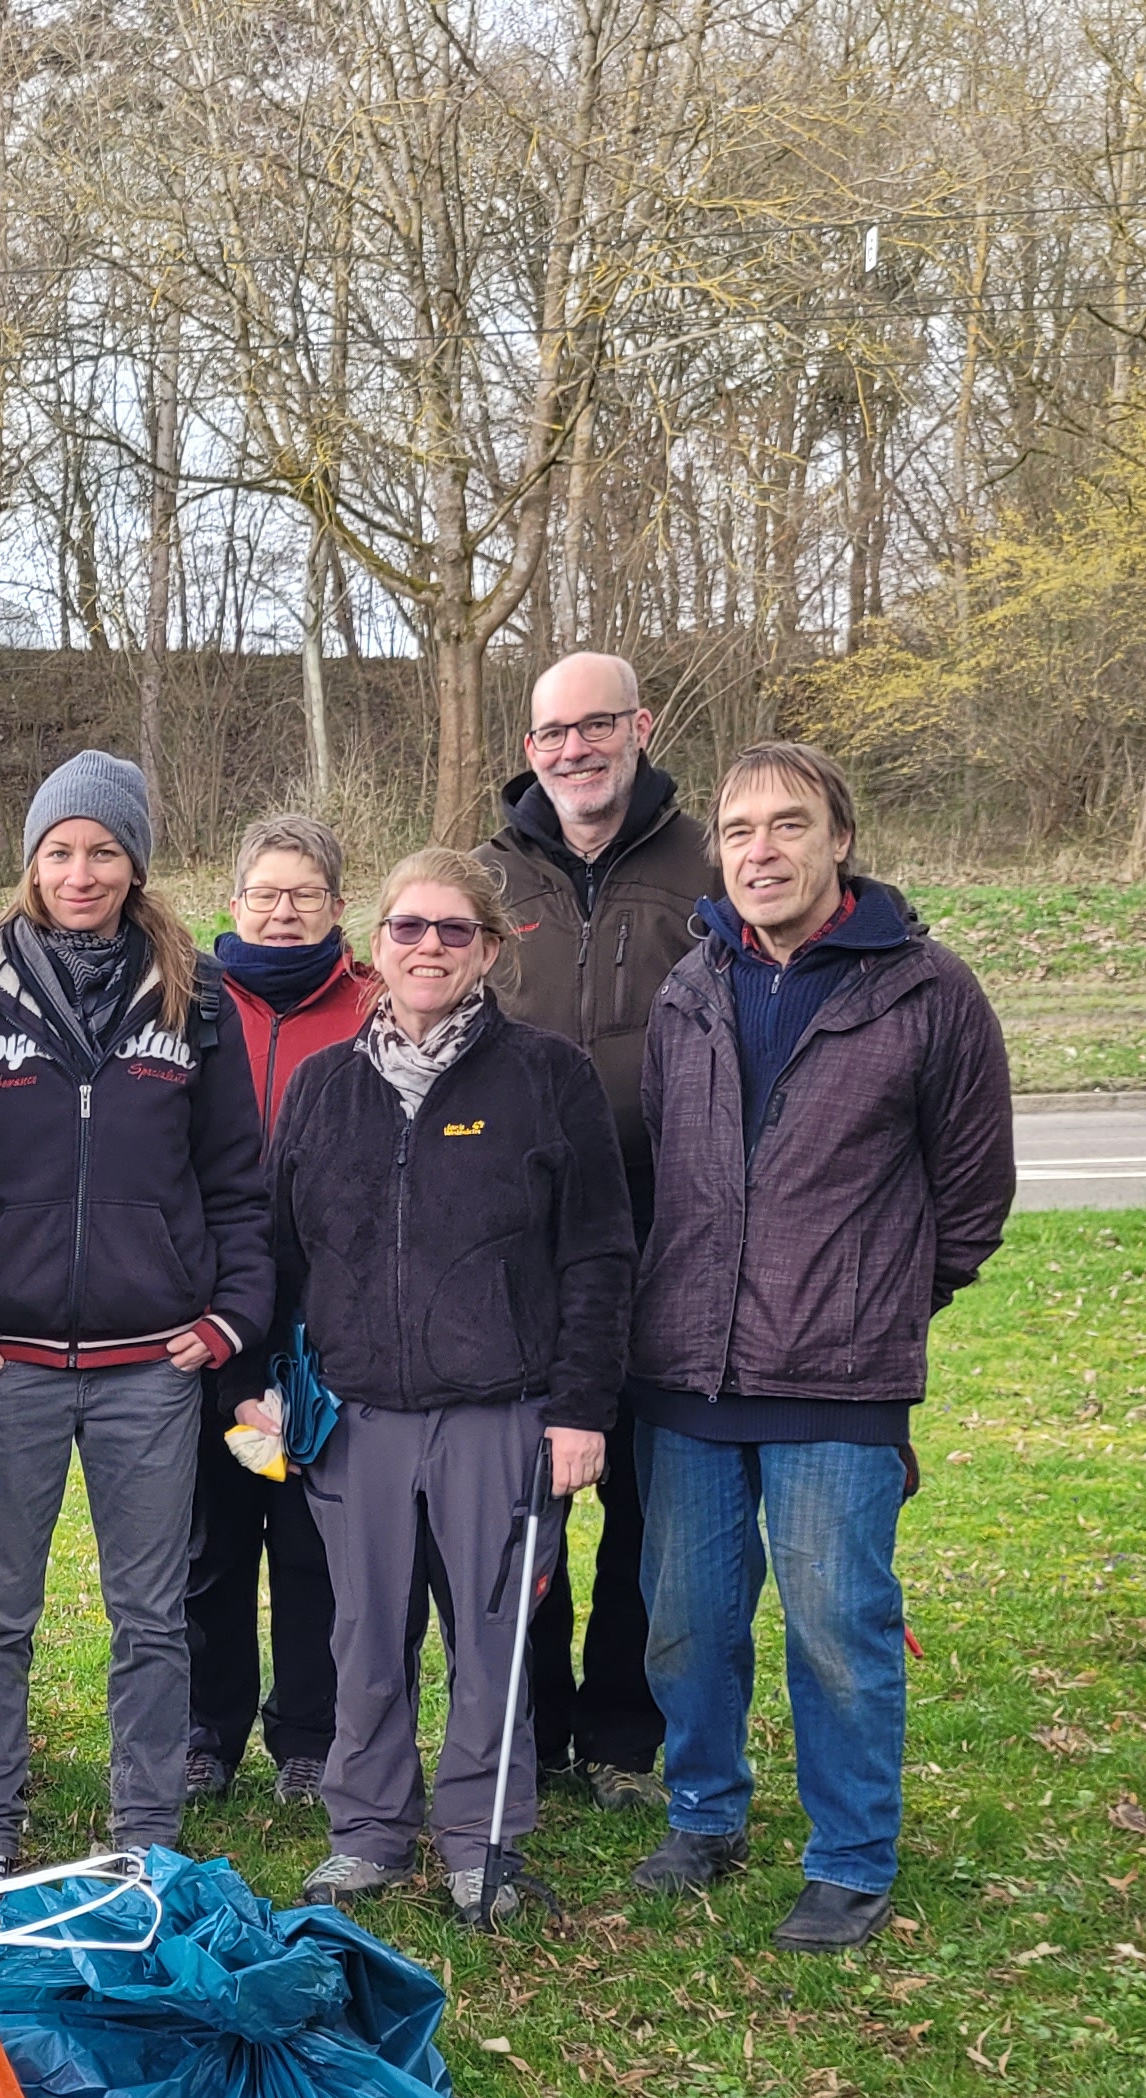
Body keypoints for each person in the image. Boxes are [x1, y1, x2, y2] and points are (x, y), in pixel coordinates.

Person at [629, 741, 1014, 1952]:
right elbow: (662, 1177)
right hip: (686, 1375)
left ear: (839, 841)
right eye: (740, 831)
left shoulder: (927, 991)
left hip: (839, 1380)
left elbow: (973, 1198)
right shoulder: (689, 987)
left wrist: (877, 1297)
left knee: (837, 1627)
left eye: (789, 826)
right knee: (685, 1620)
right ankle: (706, 1811)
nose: (762, 851)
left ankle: (850, 1855)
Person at [0, 750, 271, 1899]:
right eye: (59, 850)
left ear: (134, 860)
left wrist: (230, 1316)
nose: (81, 872)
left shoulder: (189, 993)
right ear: (29, 859)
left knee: (153, 1613)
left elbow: (237, 1180)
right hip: (9, 1365)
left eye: (103, 849)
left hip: (153, 1366)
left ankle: (146, 1832)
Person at [246, 847, 632, 1924]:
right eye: (407, 928)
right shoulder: (325, 1087)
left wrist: (580, 1409)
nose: (428, 948)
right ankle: (368, 1830)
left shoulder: (547, 1078)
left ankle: (484, 1839)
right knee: (364, 1635)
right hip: (355, 1418)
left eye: (452, 931)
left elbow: (598, 1253)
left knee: (493, 1635)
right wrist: (261, 1389)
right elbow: (279, 1255)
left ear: (490, 950)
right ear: (375, 947)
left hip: (499, 1411)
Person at [491, 651, 709, 1811]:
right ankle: (531, 1728)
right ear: (530, 749)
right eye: (552, 733)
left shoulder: (707, 864)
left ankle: (623, 1739)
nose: (575, 749)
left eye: (596, 726)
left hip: (674, 1244)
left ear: (641, 727)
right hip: (525, 1260)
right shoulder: (488, 877)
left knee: (649, 1513)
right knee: (528, 1508)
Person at [187, 809, 377, 1813]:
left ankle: (311, 1734)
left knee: (313, 1539)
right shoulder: (188, 1005)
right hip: (212, 1311)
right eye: (267, 893)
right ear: (235, 902)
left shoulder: (375, 1006)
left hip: (329, 1318)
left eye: (305, 894)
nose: (285, 911)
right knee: (210, 1536)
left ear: (339, 908)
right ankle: (203, 1731)